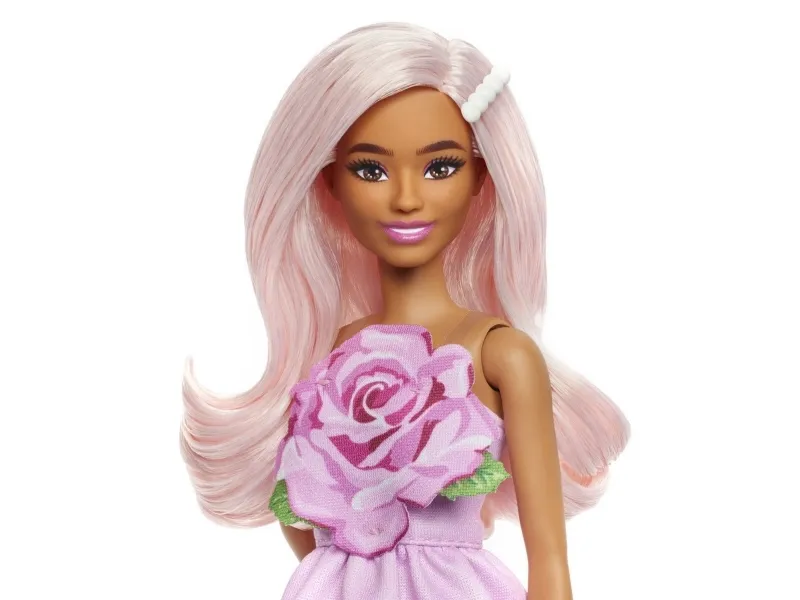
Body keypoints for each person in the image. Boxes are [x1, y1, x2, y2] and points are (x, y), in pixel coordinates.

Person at [180, 21, 630, 600]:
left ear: (481, 178)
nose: (407, 198)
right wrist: (342, 563)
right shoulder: (327, 353)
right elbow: (299, 506)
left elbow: (550, 561)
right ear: (328, 185)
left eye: (441, 166)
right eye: (370, 169)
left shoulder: (500, 354)